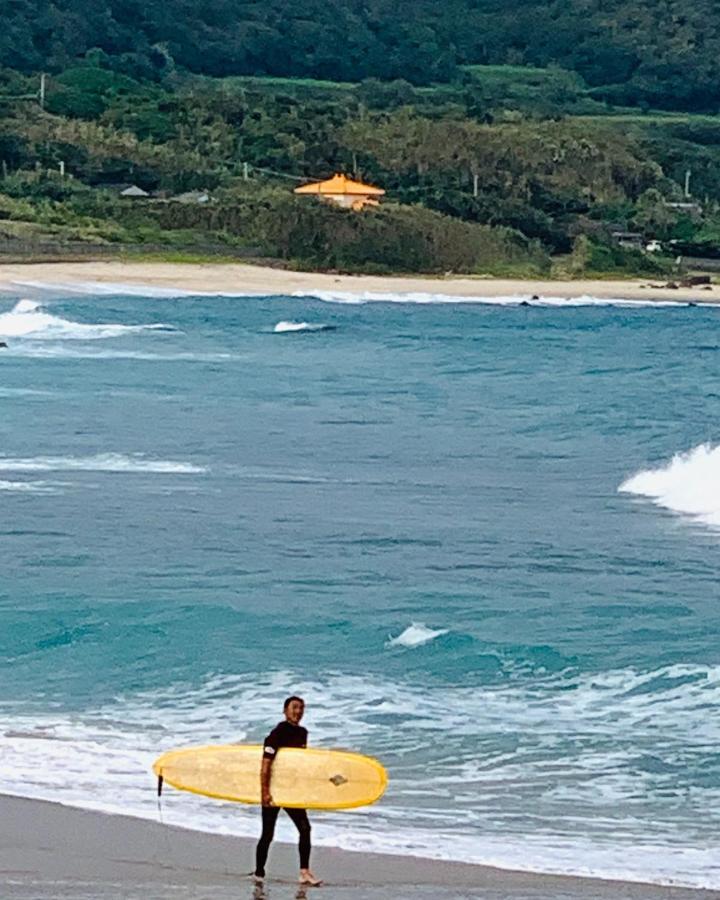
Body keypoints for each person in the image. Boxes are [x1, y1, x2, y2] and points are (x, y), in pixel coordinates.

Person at [254, 696, 322, 886]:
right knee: (268, 834)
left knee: (305, 828)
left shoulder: (302, 733)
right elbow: (266, 763)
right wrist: (265, 792)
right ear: (285, 710)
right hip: (274, 791)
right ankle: (259, 873)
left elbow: (297, 765)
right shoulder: (278, 732)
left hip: (290, 791)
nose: (298, 711)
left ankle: (304, 872)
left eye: (301, 708)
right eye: (294, 707)